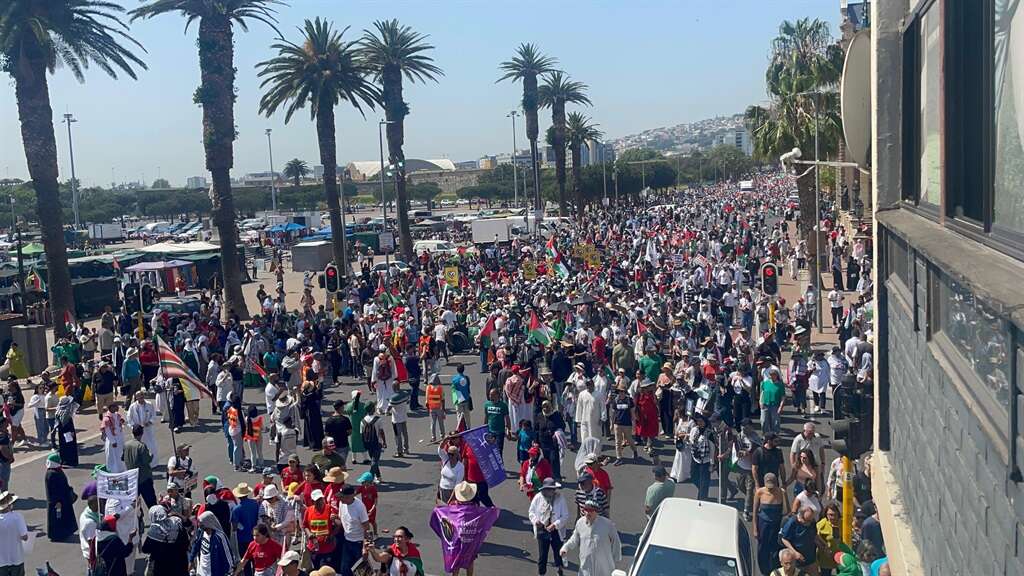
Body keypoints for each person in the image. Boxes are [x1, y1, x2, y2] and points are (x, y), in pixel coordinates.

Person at [559, 499, 622, 576]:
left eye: (591, 510)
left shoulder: (607, 524)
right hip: (586, 566)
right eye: (586, 510)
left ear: (596, 511)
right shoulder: (580, 523)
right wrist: (565, 548)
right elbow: (574, 539)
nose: (588, 513)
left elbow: (616, 541)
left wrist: (617, 559)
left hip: (604, 567)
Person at [528, 478, 569, 576]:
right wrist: (535, 521)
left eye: (552, 489)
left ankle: (559, 570)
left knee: (558, 553)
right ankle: (541, 573)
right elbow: (531, 512)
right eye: (548, 489)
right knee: (543, 555)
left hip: (556, 531)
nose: (550, 491)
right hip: (542, 529)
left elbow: (565, 515)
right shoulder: (538, 497)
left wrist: (555, 525)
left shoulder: (560, 498)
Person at [753, 472, 788, 576]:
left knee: (775, 547)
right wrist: (755, 528)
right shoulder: (759, 492)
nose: (771, 489)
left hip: (776, 524)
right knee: (762, 547)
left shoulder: (781, 492)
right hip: (763, 523)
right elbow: (755, 511)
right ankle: (763, 570)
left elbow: (788, 510)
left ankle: (774, 569)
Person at [140, 505, 190, 576]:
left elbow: (145, 549)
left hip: (162, 567)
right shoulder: (177, 522)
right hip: (180, 564)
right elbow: (186, 541)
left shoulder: (154, 531)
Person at [335, 485, 371, 576]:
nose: (340, 499)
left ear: (350, 496)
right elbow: (341, 520)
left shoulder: (359, 507)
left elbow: (367, 528)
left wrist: (365, 548)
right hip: (347, 541)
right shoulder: (341, 503)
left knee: (361, 571)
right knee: (345, 570)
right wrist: (334, 519)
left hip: (358, 544)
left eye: (342, 497)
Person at [191, 511, 238, 576]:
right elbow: (196, 545)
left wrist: (230, 571)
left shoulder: (219, 537)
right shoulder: (201, 532)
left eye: (203, 526)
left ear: (209, 523)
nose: (201, 528)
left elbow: (227, 555)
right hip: (201, 572)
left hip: (214, 572)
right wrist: (191, 559)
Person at [44, 452, 78, 541]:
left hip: (63, 499)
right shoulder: (52, 474)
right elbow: (53, 490)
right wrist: (57, 502)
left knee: (62, 517)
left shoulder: (55, 471)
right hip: (58, 501)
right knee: (58, 518)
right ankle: (58, 535)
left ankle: (65, 532)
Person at [779, 508, 824, 575]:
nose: (809, 523)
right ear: (801, 518)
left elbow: (814, 535)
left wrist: (822, 545)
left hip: (811, 558)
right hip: (798, 560)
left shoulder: (812, 522)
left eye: (811, 520)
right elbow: (784, 539)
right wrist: (795, 553)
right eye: (807, 521)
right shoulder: (792, 522)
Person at [123, 425, 157, 507]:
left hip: (132, 478)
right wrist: (151, 456)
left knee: (135, 505)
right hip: (143, 478)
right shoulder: (141, 446)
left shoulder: (126, 445)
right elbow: (147, 460)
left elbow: (123, 458)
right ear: (142, 433)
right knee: (151, 502)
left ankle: (139, 518)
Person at [302, 489, 335, 569]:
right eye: (317, 500)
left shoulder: (330, 509)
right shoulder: (308, 510)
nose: (320, 502)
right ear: (312, 501)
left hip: (327, 548)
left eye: (321, 499)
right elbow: (305, 525)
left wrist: (331, 535)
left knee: (324, 570)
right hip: (314, 548)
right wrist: (309, 534)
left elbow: (338, 525)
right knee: (316, 569)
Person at [231, 483, 261, 567]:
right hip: (255, 536)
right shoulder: (255, 504)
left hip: (242, 539)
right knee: (256, 561)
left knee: (245, 562)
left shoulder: (236, 509)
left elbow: (234, 526)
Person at [127, 390, 159, 465]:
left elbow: (153, 415)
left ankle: (153, 463)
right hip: (138, 431)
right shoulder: (133, 406)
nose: (141, 398)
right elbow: (129, 417)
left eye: (142, 396)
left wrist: (149, 422)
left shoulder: (149, 404)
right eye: (139, 397)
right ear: (136, 398)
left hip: (148, 429)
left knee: (151, 445)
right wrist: (134, 426)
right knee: (139, 447)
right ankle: (141, 463)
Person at [483, 388, 512, 458]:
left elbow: (507, 418)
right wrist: (484, 428)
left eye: (492, 395)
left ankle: (500, 466)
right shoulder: (487, 404)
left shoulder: (503, 405)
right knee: (490, 450)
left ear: (497, 395)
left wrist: (508, 430)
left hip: (500, 432)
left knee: (499, 450)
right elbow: (486, 416)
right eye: (490, 394)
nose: (490, 396)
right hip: (490, 431)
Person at [816, 502, 842, 576]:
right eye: (830, 515)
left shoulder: (842, 523)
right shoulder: (822, 524)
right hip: (826, 557)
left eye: (835, 515)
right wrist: (824, 548)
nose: (833, 517)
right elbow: (816, 538)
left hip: (840, 556)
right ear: (826, 514)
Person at [53, 395, 79, 467]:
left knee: (63, 446)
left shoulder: (58, 410)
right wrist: (72, 432)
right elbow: (68, 423)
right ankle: (71, 462)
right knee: (70, 446)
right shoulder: (67, 411)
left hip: (61, 431)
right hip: (68, 432)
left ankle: (64, 460)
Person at [101, 401, 126, 473]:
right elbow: (107, 431)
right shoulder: (107, 419)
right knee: (113, 456)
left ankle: (120, 470)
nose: (117, 407)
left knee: (119, 455)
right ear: (111, 407)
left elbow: (122, 423)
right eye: (115, 406)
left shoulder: (117, 415)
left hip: (119, 438)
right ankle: (113, 471)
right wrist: (113, 441)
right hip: (113, 440)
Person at [424, 373, 446, 442]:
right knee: (441, 423)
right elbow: (443, 399)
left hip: (431, 408)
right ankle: (443, 436)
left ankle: (433, 437)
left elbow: (427, 399)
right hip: (439, 407)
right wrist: (443, 409)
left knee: (433, 423)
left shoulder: (428, 387)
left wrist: (428, 408)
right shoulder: (440, 388)